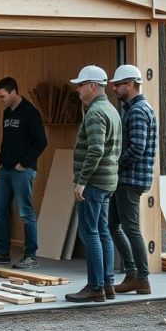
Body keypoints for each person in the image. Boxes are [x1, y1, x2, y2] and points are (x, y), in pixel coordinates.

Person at [65, 65, 121, 303]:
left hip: (94, 184)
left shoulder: (96, 113)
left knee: (90, 234)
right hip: (106, 182)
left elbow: (96, 149)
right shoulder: (111, 110)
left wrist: (81, 182)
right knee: (103, 232)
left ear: (92, 86)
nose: (78, 89)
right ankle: (107, 284)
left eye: (81, 85)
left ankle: (95, 287)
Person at [0, 77, 48, 269]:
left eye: (3, 96)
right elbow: (7, 140)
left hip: (22, 171)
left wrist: (24, 163)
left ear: (13, 92)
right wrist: (1, 162)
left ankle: (30, 256)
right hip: (5, 169)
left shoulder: (30, 112)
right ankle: (2, 252)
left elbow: (41, 141)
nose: (1, 100)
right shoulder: (7, 113)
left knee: (25, 213)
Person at [108, 64, 157, 295]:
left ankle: (141, 277)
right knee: (113, 225)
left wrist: (113, 164)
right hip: (127, 178)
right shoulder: (134, 109)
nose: (115, 89)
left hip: (130, 179)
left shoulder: (137, 111)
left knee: (130, 228)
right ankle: (133, 274)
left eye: (118, 84)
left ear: (130, 84)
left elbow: (137, 149)